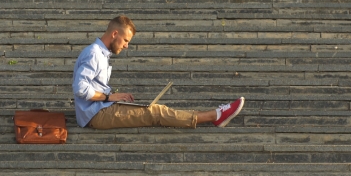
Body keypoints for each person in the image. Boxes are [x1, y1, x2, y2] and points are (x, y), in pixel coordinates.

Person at [72, 15, 245, 129]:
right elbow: (80, 88)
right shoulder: (94, 54)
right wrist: (109, 97)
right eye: (125, 40)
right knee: (155, 112)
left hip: (101, 109)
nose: (126, 45)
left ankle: (211, 115)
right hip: (95, 115)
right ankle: (215, 116)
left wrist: (112, 96)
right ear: (114, 33)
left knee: (151, 108)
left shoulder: (100, 54)